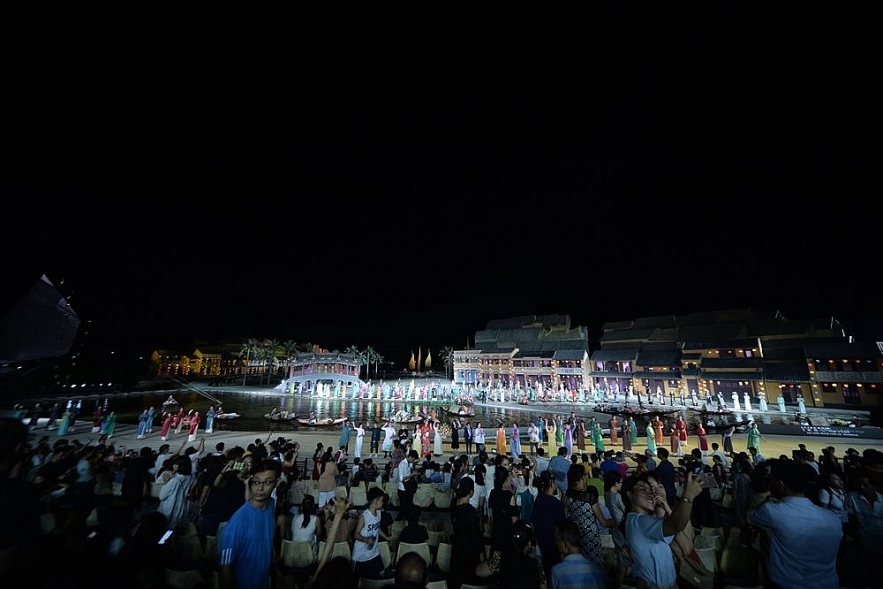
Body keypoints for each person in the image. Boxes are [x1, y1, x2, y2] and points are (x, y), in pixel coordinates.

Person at [748, 458, 842, 589]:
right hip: (828, 583)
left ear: (780, 484)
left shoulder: (771, 511)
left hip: (786, 584)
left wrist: (769, 497)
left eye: (772, 481)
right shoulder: (833, 518)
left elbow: (751, 517)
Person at [623, 470, 704, 589]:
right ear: (630, 494)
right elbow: (675, 526)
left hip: (683, 575)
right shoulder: (640, 521)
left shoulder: (674, 512)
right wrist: (687, 497)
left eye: (659, 486)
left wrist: (666, 508)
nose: (654, 493)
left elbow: (686, 546)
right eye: (646, 489)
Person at [219, 458, 282, 589]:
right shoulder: (237, 522)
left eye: (267, 482)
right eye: (256, 482)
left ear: (277, 482)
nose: (260, 488)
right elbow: (225, 571)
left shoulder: (270, 505)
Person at [477, 518, 546, 589]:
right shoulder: (537, 565)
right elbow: (543, 587)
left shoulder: (499, 559)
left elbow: (479, 572)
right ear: (529, 544)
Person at [549, 519, 609, 589]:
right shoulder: (599, 570)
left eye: (557, 540)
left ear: (565, 545)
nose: (555, 543)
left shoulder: (557, 572)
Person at [450, 476, 486, 587]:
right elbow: (475, 536)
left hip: (456, 549)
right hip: (469, 554)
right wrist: (481, 556)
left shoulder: (453, 505)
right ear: (471, 492)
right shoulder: (470, 512)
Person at [351, 486, 393, 581]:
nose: (383, 503)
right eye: (382, 500)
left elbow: (377, 527)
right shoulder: (364, 517)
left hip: (374, 553)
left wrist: (386, 537)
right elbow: (356, 534)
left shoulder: (378, 514)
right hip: (361, 556)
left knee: (379, 577)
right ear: (376, 501)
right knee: (359, 582)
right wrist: (366, 539)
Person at [532, 470, 565, 580]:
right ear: (551, 483)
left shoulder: (539, 498)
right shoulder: (554, 503)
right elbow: (561, 524)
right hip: (553, 543)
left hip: (542, 542)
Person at [157, 456, 195, 530]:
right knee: (174, 529)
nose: (173, 466)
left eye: (176, 464)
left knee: (164, 529)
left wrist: (167, 481)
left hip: (169, 507)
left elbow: (162, 496)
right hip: (181, 506)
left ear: (182, 466)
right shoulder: (190, 476)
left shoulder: (174, 480)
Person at [396, 449, 419, 520]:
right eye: (413, 459)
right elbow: (401, 478)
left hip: (409, 488)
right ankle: (397, 522)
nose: (413, 461)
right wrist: (412, 475)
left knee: (409, 508)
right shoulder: (402, 464)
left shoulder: (410, 464)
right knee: (403, 509)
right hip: (402, 489)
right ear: (411, 457)